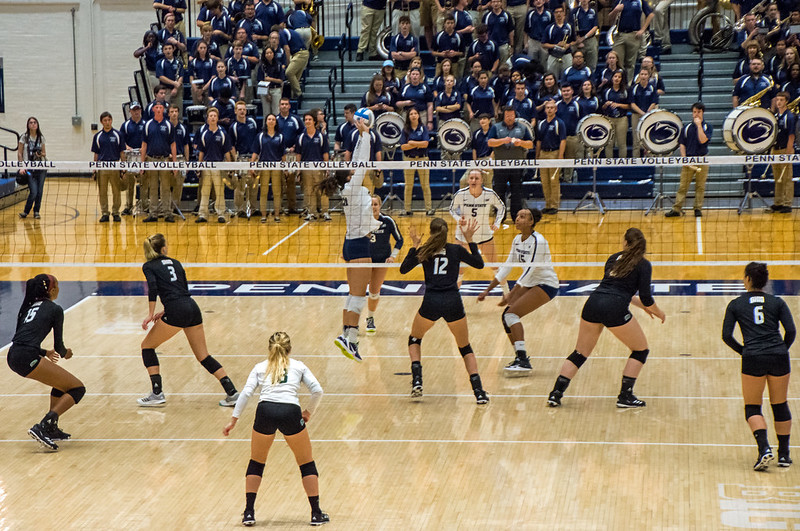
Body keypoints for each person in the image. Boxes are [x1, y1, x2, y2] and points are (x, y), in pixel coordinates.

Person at [547, 228, 666, 408]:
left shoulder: (613, 258)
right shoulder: (643, 264)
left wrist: (643, 307)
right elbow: (646, 297)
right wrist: (658, 311)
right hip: (614, 308)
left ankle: (555, 394)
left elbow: (616, 289)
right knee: (640, 350)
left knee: (580, 353)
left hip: (593, 303)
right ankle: (625, 396)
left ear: (625, 242)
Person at [222, 331, 327, 526]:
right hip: (290, 412)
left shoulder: (260, 367)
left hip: (265, 411)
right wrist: (308, 412)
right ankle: (316, 513)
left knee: (256, 462)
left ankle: (248, 512)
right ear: (290, 349)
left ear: (269, 348)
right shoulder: (299, 366)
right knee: (306, 463)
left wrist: (233, 420)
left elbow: (245, 394)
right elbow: (317, 391)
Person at [139, 233, 240, 406]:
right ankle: (232, 393)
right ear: (164, 248)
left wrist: (151, 313)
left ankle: (157, 393)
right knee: (203, 356)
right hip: (192, 307)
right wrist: (165, 311)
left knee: (147, 347)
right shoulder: (176, 263)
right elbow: (182, 289)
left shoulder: (149, 266)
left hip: (177, 310)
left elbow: (153, 288)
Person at [399, 217, 490, 404]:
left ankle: (417, 381)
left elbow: (403, 269)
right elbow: (479, 264)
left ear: (431, 232)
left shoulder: (425, 251)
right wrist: (470, 239)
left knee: (415, 339)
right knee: (465, 347)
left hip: (431, 301)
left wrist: (415, 246)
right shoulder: (456, 250)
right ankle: (479, 392)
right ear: (447, 232)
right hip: (453, 301)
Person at [316, 117, 382, 361]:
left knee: (353, 293)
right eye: (351, 169)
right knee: (357, 294)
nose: (354, 168)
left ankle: (347, 334)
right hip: (358, 244)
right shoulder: (353, 186)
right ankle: (350, 338)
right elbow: (361, 162)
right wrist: (365, 135)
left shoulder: (349, 186)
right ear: (348, 176)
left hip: (352, 242)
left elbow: (356, 161)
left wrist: (360, 134)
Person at [722, 262, 796, 470]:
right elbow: (790, 331)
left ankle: (764, 449)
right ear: (765, 281)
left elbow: (726, 336)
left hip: (753, 357)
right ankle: (784, 455)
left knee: (753, 407)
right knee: (779, 405)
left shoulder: (736, 304)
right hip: (779, 356)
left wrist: (744, 351)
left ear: (747, 279)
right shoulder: (777, 302)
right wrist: (782, 349)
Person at [477, 207, 559, 375]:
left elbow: (529, 270)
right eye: (517, 215)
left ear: (531, 222)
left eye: (523, 216)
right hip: (530, 282)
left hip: (546, 284)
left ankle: (522, 360)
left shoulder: (538, 241)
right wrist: (488, 290)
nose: (517, 218)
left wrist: (512, 293)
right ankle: (520, 357)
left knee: (511, 315)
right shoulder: (517, 239)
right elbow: (507, 266)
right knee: (506, 317)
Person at [8, 274, 84, 451]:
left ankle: (51, 427)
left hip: (15, 354)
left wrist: (44, 352)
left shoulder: (29, 306)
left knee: (62, 384)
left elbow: (21, 338)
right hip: (27, 356)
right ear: (51, 289)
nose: (59, 288)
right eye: (57, 285)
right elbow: (60, 346)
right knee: (77, 389)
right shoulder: (55, 309)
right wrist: (66, 354)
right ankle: (42, 427)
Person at [449, 168, 505, 284]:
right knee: (458, 270)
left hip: (484, 235)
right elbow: (451, 209)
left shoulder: (489, 194)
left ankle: (507, 295)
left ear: (482, 180)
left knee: (495, 267)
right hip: (463, 235)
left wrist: (497, 222)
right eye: (471, 178)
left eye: (476, 178)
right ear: (468, 180)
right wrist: (458, 219)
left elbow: (501, 207)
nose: (473, 180)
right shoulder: (461, 194)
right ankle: (453, 298)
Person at [665, 102, 712, 218]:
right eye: (695, 112)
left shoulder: (707, 127)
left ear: (703, 113)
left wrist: (699, 126)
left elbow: (703, 140)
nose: (696, 114)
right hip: (689, 160)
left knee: (700, 186)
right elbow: (682, 144)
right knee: (683, 186)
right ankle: (676, 209)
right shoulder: (686, 128)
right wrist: (684, 159)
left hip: (702, 160)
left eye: (699, 112)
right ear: (692, 113)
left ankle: (697, 208)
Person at [365, 195, 403, 334]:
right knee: (357, 292)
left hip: (381, 261)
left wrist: (392, 256)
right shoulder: (362, 220)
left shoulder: (387, 221)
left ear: (380, 205)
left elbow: (400, 240)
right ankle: (351, 324)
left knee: (374, 292)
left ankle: (370, 318)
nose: (373, 207)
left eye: (375, 204)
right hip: (364, 261)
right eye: (371, 204)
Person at [488, 106, 534, 220]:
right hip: (500, 166)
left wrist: (521, 143)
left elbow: (530, 144)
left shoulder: (522, 128)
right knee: (499, 192)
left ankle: (516, 217)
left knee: (516, 193)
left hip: (516, 166)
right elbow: (490, 142)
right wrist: (503, 141)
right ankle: (500, 217)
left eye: (511, 115)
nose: (509, 118)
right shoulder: (496, 127)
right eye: (507, 115)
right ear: (504, 116)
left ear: (515, 116)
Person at [141, 101, 178, 223]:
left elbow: (173, 145)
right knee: (153, 188)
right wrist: (142, 164)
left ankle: (167, 213)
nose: (158, 109)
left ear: (163, 110)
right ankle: (153, 214)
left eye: (160, 107)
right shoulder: (147, 125)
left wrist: (174, 164)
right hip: (151, 159)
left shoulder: (168, 125)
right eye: (156, 107)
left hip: (165, 160)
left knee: (165, 187)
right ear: (153, 110)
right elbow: (144, 145)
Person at [196, 107, 234, 223]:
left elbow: (227, 152)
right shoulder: (204, 134)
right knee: (205, 190)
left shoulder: (222, 133)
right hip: (207, 166)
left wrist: (230, 166)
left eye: (214, 116)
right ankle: (202, 214)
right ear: (207, 119)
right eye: (210, 116)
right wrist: (199, 167)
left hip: (218, 166)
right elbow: (201, 152)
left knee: (219, 190)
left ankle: (220, 214)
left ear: (217, 118)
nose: (212, 118)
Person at [251, 114, 286, 222]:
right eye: (269, 119)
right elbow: (255, 152)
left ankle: (276, 215)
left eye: (273, 119)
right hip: (264, 166)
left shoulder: (280, 136)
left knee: (277, 192)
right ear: (266, 122)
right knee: (264, 191)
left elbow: (283, 155)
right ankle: (263, 215)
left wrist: (285, 168)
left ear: (276, 122)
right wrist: (252, 166)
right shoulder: (260, 136)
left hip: (276, 167)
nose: (271, 121)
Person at [296, 111, 331, 221]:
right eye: (306, 119)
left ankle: (325, 212)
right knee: (309, 191)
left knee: (322, 190)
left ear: (314, 121)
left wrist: (327, 168)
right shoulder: (301, 137)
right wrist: (298, 170)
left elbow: (325, 153)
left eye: (309, 119)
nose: (307, 121)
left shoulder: (321, 136)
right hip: (306, 168)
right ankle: (312, 212)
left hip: (319, 168)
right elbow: (298, 154)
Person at [91, 112, 125, 223]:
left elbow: (122, 152)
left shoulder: (118, 135)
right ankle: (105, 213)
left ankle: (116, 212)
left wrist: (123, 167)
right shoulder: (98, 136)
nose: (107, 122)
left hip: (115, 166)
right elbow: (96, 154)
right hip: (102, 167)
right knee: (102, 191)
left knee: (116, 191)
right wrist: (94, 169)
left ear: (112, 121)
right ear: (101, 122)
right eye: (105, 120)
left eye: (109, 120)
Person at [609, 0, 654, 83]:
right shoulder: (619, 1)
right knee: (618, 63)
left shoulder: (640, 1)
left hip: (634, 35)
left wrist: (643, 29)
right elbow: (610, 17)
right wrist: (616, 10)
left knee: (630, 64)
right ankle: (618, 85)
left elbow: (650, 14)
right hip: (620, 35)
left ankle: (628, 85)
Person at [399, 108, 433, 216]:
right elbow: (403, 147)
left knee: (425, 185)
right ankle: (407, 209)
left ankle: (429, 209)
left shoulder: (423, 128)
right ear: (408, 117)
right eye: (411, 114)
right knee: (409, 185)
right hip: (409, 159)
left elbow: (426, 144)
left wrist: (412, 142)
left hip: (422, 158)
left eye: (415, 113)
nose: (413, 115)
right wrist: (419, 143)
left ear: (418, 115)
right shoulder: (405, 130)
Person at [536, 100, 566, 214]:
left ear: (555, 109)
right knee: (544, 181)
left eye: (551, 108)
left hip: (554, 153)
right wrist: (537, 155)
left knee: (554, 180)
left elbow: (563, 140)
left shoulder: (559, 123)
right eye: (547, 108)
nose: (549, 109)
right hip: (543, 154)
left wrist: (560, 156)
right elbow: (538, 141)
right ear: (545, 109)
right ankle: (548, 205)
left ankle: (554, 205)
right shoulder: (541, 123)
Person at [769, 91, 796, 213]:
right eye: (777, 100)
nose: (778, 102)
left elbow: (791, 135)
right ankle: (778, 202)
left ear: (786, 102)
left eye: (781, 100)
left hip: (785, 149)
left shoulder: (789, 117)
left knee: (787, 177)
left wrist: (789, 152)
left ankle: (787, 203)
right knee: (777, 177)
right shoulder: (775, 116)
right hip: (775, 149)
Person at [17, 116, 47, 220]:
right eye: (31, 122)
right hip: (29, 169)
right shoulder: (24, 137)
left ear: (37, 125)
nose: (33, 124)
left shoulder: (41, 137)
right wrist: (21, 166)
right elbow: (20, 153)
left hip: (41, 168)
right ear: (28, 125)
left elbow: (44, 153)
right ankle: (26, 211)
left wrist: (39, 154)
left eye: (35, 122)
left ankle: (37, 211)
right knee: (33, 191)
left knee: (39, 191)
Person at [120, 103, 146, 215]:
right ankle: (128, 206)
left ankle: (144, 205)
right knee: (130, 183)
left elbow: (149, 139)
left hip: (142, 156)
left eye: (138, 109)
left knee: (144, 182)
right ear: (130, 111)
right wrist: (127, 147)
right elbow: (121, 141)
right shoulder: (125, 125)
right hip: (130, 157)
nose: (136, 112)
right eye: (134, 110)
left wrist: (144, 148)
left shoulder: (146, 124)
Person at [629, 68, 659, 158]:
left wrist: (647, 113)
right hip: (636, 115)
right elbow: (632, 104)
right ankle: (636, 160)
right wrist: (642, 113)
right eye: (642, 74)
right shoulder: (634, 88)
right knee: (636, 138)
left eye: (645, 74)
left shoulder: (652, 87)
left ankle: (650, 158)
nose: (643, 76)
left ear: (649, 76)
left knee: (648, 137)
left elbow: (654, 102)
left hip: (649, 115)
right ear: (639, 76)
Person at [601, 70, 629, 158]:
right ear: (612, 78)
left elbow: (630, 106)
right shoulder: (607, 91)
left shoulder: (626, 90)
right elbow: (602, 107)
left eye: (619, 77)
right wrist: (606, 105)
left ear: (622, 79)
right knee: (609, 143)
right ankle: (609, 164)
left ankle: (622, 164)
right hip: (609, 118)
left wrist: (618, 105)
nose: (617, 79)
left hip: (622, 119)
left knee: (621, 143)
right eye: (615, 76)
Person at [524, 0, 552, 67]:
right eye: (536, 0)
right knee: (532, 64)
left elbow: (552, 29)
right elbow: (526, 30)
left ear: (544, 1)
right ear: (533, 3)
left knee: (544, 65)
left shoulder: (549, 13)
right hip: (533, 42)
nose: (538, 1)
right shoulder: (530, 14)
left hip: (545, 43)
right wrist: (526, 43)